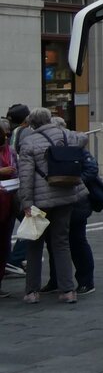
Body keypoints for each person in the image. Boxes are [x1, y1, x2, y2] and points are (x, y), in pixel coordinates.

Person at [17, 107, 88, 304]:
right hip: (66, 194)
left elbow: (26, 176)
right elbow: (83, 138)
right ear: (49, 119)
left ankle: (32, 292)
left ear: (32, 124)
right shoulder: (66, 134)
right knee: (61, 242)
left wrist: (26, 203)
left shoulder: (28, 142)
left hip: (40, 201)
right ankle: (67, 291)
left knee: (34, 244)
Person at [42, 117, 95, 296]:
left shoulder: (76, 148)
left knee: (77, 241)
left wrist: (74, 182)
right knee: (54, 242)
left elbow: (91, 170)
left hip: (76, 201)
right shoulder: (52, 149)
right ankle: (56, 280)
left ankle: (86, 281)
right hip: (59, 201)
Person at [4, 103, 31, 278]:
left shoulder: (11, 134)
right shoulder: (22, 133)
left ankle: (9, 260)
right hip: (18, 188)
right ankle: (13, 260)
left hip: (11, 188)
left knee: (9, 227)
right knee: (32, 225)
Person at [0, 118, 17, 298]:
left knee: (4, 245)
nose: (6, 138)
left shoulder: (10, 151)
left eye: (7, 135)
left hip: (7, 204)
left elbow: (17, 169)